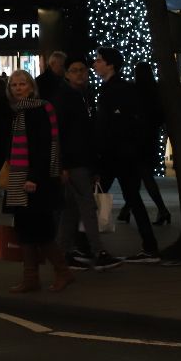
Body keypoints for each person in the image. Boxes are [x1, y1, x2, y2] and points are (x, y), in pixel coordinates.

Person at [2, 70, 73, 292]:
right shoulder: (17, 111)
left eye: (22, 84)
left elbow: (42, 147)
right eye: (14, 85)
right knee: (25, 230)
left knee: (41, 231)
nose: (18, 88)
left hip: (36, 180)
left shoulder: (38, 110)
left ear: (31, 87)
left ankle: (63, 271)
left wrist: (33, 177)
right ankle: (31, 277)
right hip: (19, 178)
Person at [51, 57, 121, 271]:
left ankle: (63, 253)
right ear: (67, 74)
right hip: (75, 161)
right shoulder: (67, 98)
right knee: (87, 206)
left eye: (83, 70)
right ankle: (97, 251)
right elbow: (61, 133)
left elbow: (87, 132)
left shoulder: (84, 96)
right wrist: (62, 164)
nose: (80, 73)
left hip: (80, 159)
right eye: (75, 70)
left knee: (72, 209)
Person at [93, 48, 160, 262]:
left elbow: (112, 124)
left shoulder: (114, 89)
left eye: (99, 60)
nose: (95, 63)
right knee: (132, 197)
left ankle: (86, 245)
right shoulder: (122, 88)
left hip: (114, 154)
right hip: (125, 154)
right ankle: (149, 246)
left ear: (110, 64)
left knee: (92, 196)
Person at [118, 63, 170, 226]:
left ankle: (161, 210)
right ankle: (128, 210)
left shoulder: (134, 91)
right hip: (150, 139)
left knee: (138, 177)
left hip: (135, 139)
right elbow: (160, 116)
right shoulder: (157, 92)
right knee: (142, 175)